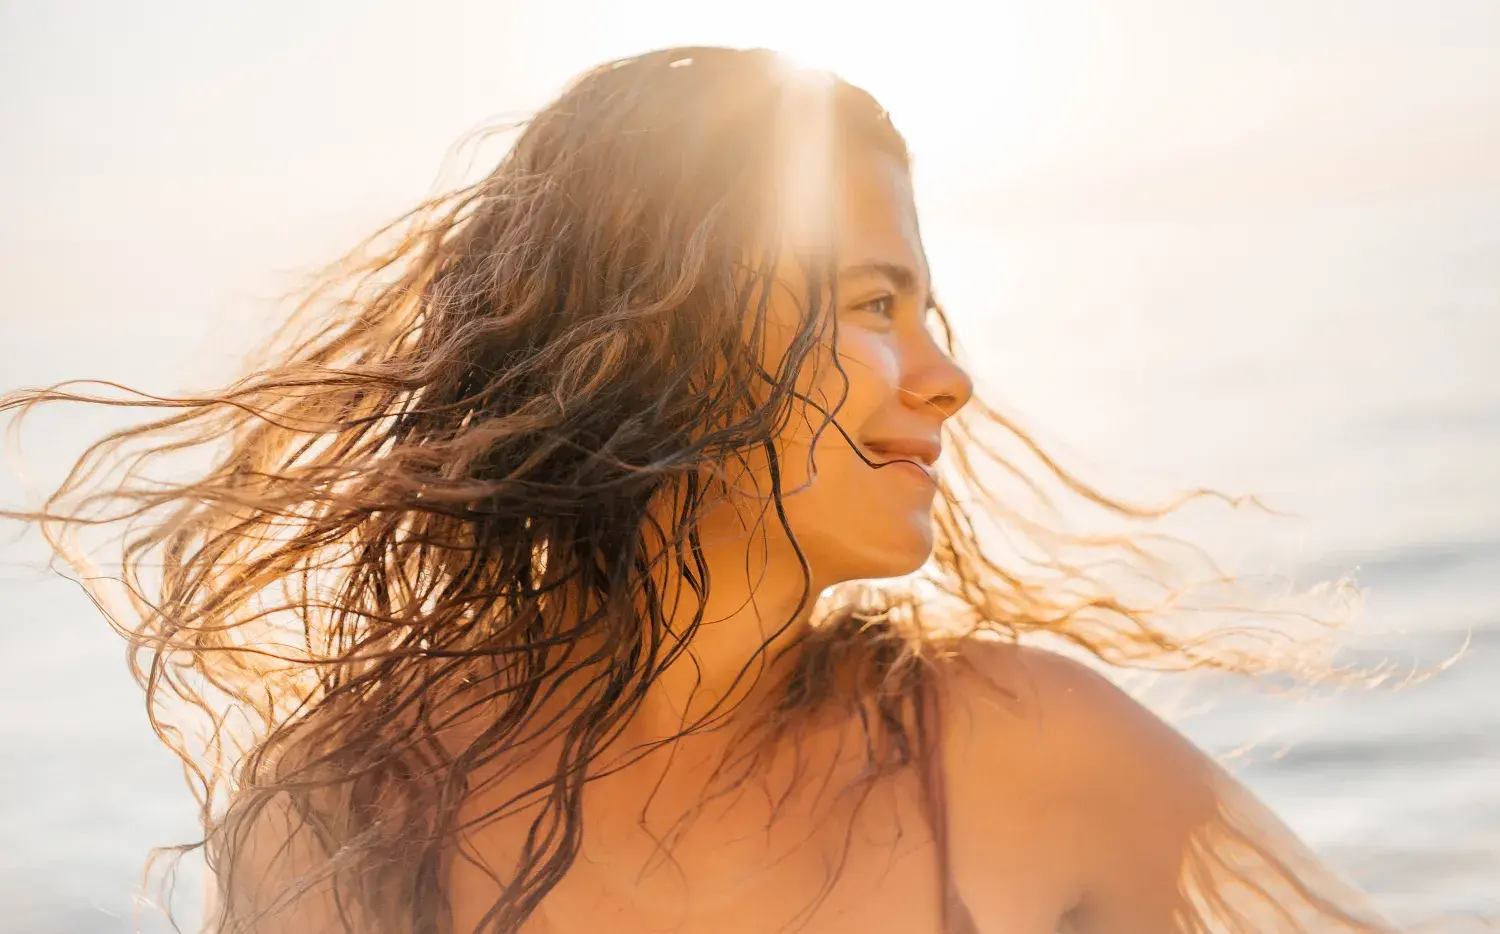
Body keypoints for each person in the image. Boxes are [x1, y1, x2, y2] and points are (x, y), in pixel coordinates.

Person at [3, 46, 1413, 934]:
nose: (947, 377)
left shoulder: (1030, 754)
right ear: (662, 329)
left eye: (931, 306)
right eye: (875, 299)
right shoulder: (345, 814)